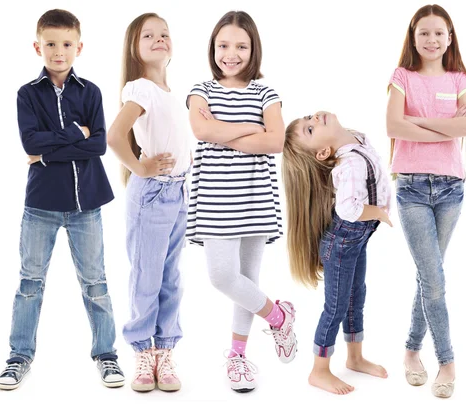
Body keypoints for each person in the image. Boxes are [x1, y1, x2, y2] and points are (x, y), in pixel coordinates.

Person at [0, 9, 123, 390]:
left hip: (87, 206)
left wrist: (52, 148)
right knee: (30, 282)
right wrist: (76, 134)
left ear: (78, 47)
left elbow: (99, 144)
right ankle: (19, 357)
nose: (58, 51)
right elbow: (29, 143)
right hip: (41, 205)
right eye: (50, 44)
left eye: (66, 44)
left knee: (96, 283)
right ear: (38, 46)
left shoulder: (92, 92)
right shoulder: (27, 94)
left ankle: (107, 355)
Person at [186, 10, 296, 393]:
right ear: (213, 48)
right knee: (222, 277)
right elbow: (201, 129)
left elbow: (275, 141)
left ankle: (238, 356)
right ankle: (279, 316)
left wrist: (224, 132)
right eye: (223, 45)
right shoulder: (201, 90)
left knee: (246, 281)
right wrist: (252, 127)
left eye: (240, 46)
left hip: (253, 197)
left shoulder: (267, 93)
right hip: (216, 200)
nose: (230, 54)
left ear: (254, 49)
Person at [386, 3, 466, 398]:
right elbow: (392, 124)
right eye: (424, 32)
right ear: (413, 37)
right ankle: (447, 361)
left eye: (439, 32)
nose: (432, 39)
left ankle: (409, 350)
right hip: (411, 189)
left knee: (429, 276)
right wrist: (446, 126)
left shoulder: (460, 79)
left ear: (450, 37)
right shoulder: (401, 76)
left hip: (451, 189)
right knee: (435, 279)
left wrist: (418, 123)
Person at [107, 12, 191, 393]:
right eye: (149, 36)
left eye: (164, 34)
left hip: (178, 193)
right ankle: (142, 350)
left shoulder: (169, 94)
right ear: (135, 49)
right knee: (147, 276)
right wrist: (140, 167)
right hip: (153, 193)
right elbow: (114, 136)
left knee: (170, 278)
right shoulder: (140, 88)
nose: (160, 39)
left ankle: (164, 350)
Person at [282, 111, 392, 395]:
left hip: (357, 238)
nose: (315, 119)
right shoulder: (349, 164)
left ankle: (355, 357)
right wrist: (379, 212)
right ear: (322, 152)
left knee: (357, 295)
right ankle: (319, 370)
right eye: (309, 128)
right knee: (336, 306)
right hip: (343, 242)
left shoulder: (355, 143)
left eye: (310, 118)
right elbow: (349, 210)